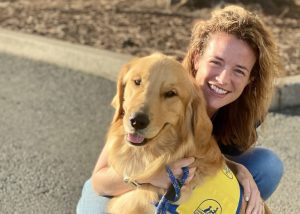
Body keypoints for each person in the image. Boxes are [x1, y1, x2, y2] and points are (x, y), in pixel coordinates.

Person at [77, 5, 283, 214]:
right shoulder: (165, 81)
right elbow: (100, 180)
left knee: (268, 165)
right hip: (118, 182)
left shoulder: (239, 111)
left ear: (250, 79)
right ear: (196, 57)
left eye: (239, 71)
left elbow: (208, 158)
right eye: (216, 62)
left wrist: (238, 170)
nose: (223, 78)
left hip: (186, 180)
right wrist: (150, 176)